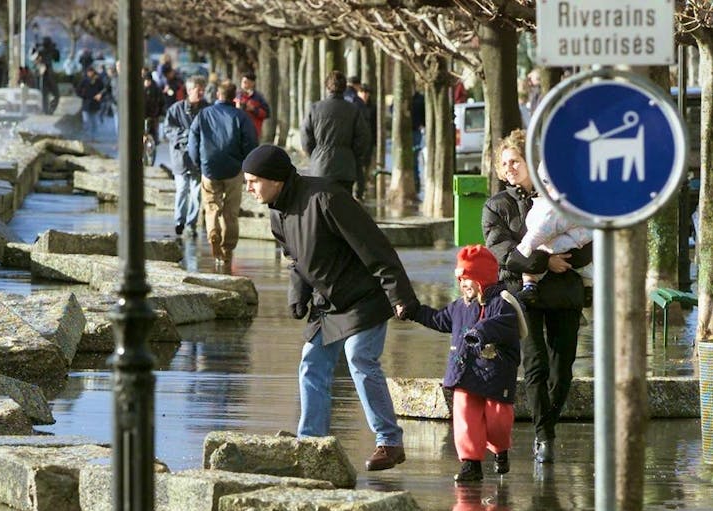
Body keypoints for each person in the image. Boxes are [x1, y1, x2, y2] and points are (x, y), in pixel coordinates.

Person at [242, 144, 419, 471]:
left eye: (253, 181)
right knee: (312, 363)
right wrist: (297, 294)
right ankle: (312, 442)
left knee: (359, 357)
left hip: (363, 296)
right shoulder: (277, 212)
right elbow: (295, 261)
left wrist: (400, 296)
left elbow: (374, 246)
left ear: (276, 179)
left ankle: (390, 441)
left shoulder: (327, 198)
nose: (248, 188)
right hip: (328, 303)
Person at [482, 129, 593, 464]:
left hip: (565, 293)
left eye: (515, 161)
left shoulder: (563, 196)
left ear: (531, 162)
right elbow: (506, 256)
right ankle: (544, 437)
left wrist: (565, 260)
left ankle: (548, 423)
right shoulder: (496, 206)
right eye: (504, 164)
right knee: (535, 365)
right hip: (523, 295)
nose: (510, 168)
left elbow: (588, 244)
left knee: (562, 370)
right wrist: (548, 261)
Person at [398, 245, 524, 482]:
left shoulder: (502, 303)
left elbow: (506, 324)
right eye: (461, 279)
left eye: (468, 279)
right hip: (464, 372)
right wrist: (414, 311)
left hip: (496, 374)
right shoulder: (459, 307)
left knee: (498, 421)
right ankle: (470, 463)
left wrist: (480, 331)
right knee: (466, 417)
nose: (463, 284)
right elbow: (438, 319)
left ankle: (500, 448)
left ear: (482, 279)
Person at [188, 81, 258, 269]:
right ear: (234, 97)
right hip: (234, 169)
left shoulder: (203, 114)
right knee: (231, 211)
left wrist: (198, 163)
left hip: (209, 167)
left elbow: (192, 140)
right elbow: (251, 142)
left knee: (211, 206)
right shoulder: (241, 117)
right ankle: (227, 249)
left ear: (218, 95)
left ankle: (213, 231)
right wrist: (246, 164)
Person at [516, 163, 593, 308]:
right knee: (586, 268)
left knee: (534, 262)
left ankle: (529, 286)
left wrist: (526, 246)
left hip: (562, 245)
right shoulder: (581, 197)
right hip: (581, 241)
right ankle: (589, 287)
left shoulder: (555, 205)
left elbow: (544, 229)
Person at [300, 70, 371, 197]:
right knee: (343, 204)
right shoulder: (353, 110)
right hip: (345, 169)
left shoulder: (314, 109)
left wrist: (315, 154)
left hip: (320, 168)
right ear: (344, 87)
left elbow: (305, 137)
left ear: (327, 86)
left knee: (321, 204)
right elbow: (363, 137)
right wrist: (352, 155)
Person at [165, 76, 209, 238]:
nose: (201, 92)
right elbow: (168, 130)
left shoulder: (207, 109)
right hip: (181, 158)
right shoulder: (176, 109)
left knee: (197, 193)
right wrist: (187, 135)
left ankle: (191, 224)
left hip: (199, 158)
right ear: (189, 90)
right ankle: (179, 221)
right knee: (182, 189)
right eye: (199, 90)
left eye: (203, 89)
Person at [235, 72, 270, 137]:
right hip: (237, 132)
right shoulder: (236, 96)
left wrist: (253, 109)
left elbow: (266, 114)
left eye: (246, 82)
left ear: (252, 83)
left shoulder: (259, 97)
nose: (243, 84)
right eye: (243, 82)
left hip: (253, 133)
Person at [75, 66, 104, 135]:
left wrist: (100, 96)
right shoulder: (84, 80)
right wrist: (83, 96)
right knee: (86, 121)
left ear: (93, 72)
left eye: (91, 72)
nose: (90, 73)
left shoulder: (98, 80)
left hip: (95, 103)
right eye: (88, 72)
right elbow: (77, 90)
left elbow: (103, 90)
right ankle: (86, 136)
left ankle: (94, 136)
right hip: (86, 103)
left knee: (94, 121)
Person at [142, 67, 163, 143]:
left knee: (153, 129)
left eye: (149, 81)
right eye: (146, 81)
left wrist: (160, 112)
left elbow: (161, 101)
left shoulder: (156, 89)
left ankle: (154, 141)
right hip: (143, 113)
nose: (147, 82)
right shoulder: (140, 89)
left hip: (153, 113)